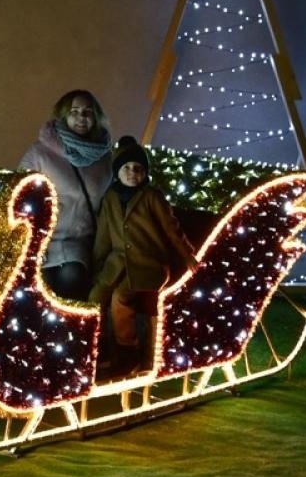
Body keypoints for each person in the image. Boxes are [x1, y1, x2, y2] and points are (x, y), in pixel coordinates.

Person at [89, 136, 197, 379]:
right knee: (95, 297)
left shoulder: (151, 196)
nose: (132, 173)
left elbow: (172, 229)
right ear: (118, 171)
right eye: (126, 168)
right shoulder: (111, 198)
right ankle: (97, 348)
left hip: (148, 264)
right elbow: (104, 236)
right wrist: (97, 266)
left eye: (138, 168)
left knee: (121, 297)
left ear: (145, 173)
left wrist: (187, 255)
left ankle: (128, 351)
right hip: (117, 264)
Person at [19, 90, 113, 301]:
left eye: (88, 112)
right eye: (74, 111)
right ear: (63, 116)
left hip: (79, 245)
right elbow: (20, 193)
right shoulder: (40, 152)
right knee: (39, 294)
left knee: (71, 280)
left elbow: (109, 204)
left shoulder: (105, 158)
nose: (82, 117)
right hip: (41, 242)